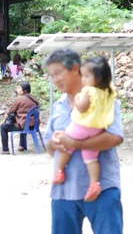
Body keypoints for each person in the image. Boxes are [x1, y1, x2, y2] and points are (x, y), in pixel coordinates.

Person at [44, 48, 123, 234]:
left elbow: (115, 137)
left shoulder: (104, 100)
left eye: (58, 73)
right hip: (63, 192)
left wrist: (76, 144)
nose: (55, 80)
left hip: (102, 189)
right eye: (52, 75)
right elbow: (48, 146)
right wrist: (54, 143)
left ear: (75, 69)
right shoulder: (58, 107)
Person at [52, 56, 116, 202]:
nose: (83, 79)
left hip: (82, 126)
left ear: (98, 78)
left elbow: (81, 108)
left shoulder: (89, 91)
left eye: (86, 76)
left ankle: (60, 170)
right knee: (91, 158)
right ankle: (94, 183)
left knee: (65, 144)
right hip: (98, 129)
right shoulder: (108, 91)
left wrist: (77, 100)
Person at [0, 81, 39, 154]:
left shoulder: (19, 99)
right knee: (23, 121)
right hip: (34, 125)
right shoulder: (33, 98)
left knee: (3, 127)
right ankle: (22, 145)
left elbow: (11, 111)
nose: (17, 89)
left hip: (24, 125)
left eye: (19, 88)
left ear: (24, 90)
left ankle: (5, 150)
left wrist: (4, 120)